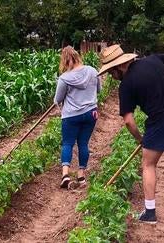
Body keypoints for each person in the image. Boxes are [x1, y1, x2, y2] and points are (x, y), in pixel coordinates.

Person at [97, 44, 164, 224]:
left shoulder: (126, 85)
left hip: (162, 119)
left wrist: (141, 139)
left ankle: (150, 212)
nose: (111, 76)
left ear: (120, 66)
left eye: (111, 72)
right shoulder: (153, 60)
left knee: (148, 164)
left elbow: (129, 121)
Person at [54, 46, 100, 188]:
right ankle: (81, 176)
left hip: (71, 115)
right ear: (77, 56)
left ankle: (65, 175)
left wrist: (57, 101)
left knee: (67, 143)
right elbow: (98, 90)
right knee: (83, 144)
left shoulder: (65, 78)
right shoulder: (93, 71)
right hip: (91, 113)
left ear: (65, 61)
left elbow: (58, 98)